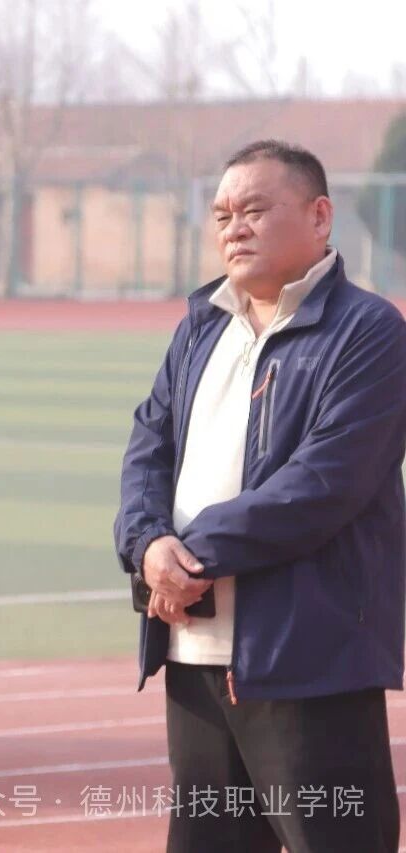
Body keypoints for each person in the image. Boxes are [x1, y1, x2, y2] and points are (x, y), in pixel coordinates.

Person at [115, 139, 406, 853]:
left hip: (309, 655)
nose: (234, 228)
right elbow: (148, 446)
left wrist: (188, 559)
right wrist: (148, 545)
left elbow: (324, 483)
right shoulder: (200, 325)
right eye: (221, 215)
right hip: (193, 650)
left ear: (320, 216)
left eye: (254, 210)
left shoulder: (368, 331)